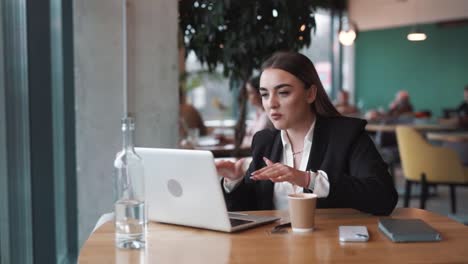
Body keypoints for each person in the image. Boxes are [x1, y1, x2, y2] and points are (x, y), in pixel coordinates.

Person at [215, 51, 397, 216]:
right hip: (272, 248)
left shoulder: (347, 135)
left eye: (283, 93)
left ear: (310, 94)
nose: (271, 103)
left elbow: (383, 198)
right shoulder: (264, 142)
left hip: (331, 248)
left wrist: (308, 179)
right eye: (264, 95)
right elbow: (250, 212)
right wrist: (234, 181)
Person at [243, 75, 274, 146]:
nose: (248, 96)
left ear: (260, 93)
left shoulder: (268, 116)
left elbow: (259, 143)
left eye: (251, 92)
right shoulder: (256, 114)